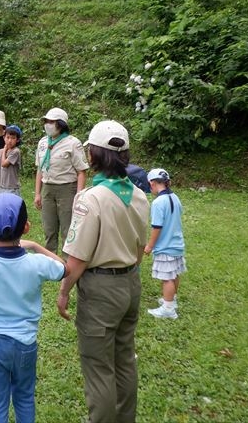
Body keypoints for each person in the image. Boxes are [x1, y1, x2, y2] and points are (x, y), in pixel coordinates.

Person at [57, 120, 149, 423]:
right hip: (130, 284)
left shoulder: (90, 199)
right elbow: (139, 251)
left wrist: (63, 291)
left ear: (94, 156)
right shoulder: (139, 196)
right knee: (124, 358)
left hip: (100, 291)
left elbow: (78, 259)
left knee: (98, 368)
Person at [0, 193, 67, 423]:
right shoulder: (36, 263)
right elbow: (63, 268)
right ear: (26, 227)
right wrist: (37, 247)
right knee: (25, 397)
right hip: (26, 344)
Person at [34, 108, 88, 259]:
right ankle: (50, 259)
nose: (48, 125)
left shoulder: (73, 143)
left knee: (67, 227)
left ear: (61, 124)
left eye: (51, 122)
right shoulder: (43, 142)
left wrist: (78, 196)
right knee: (49, 227)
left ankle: (66, 261)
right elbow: (40, 168)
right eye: (46, 121)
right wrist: (38, 193)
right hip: (48, 189)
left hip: (67, 189)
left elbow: (81, 171)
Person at [144, 168, 186, 320]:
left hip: (165, 246)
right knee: (174, 273)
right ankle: (171, 299)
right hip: (177, 244)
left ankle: (168, 309)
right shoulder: (175, 197)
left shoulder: (158, 203)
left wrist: (150, 246)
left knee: (167, 277)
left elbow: (157, 227)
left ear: (153, 183)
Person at [0, 125, 22, 196]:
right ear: (4, 138)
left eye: (13, 138)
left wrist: (4, 150)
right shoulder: (4, 150)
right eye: (8, 137)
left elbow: (4, 164)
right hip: (0, 186)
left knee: (12, 206)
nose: (9, 140)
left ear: (17, 140)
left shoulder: (15, 151)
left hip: (11, 188)